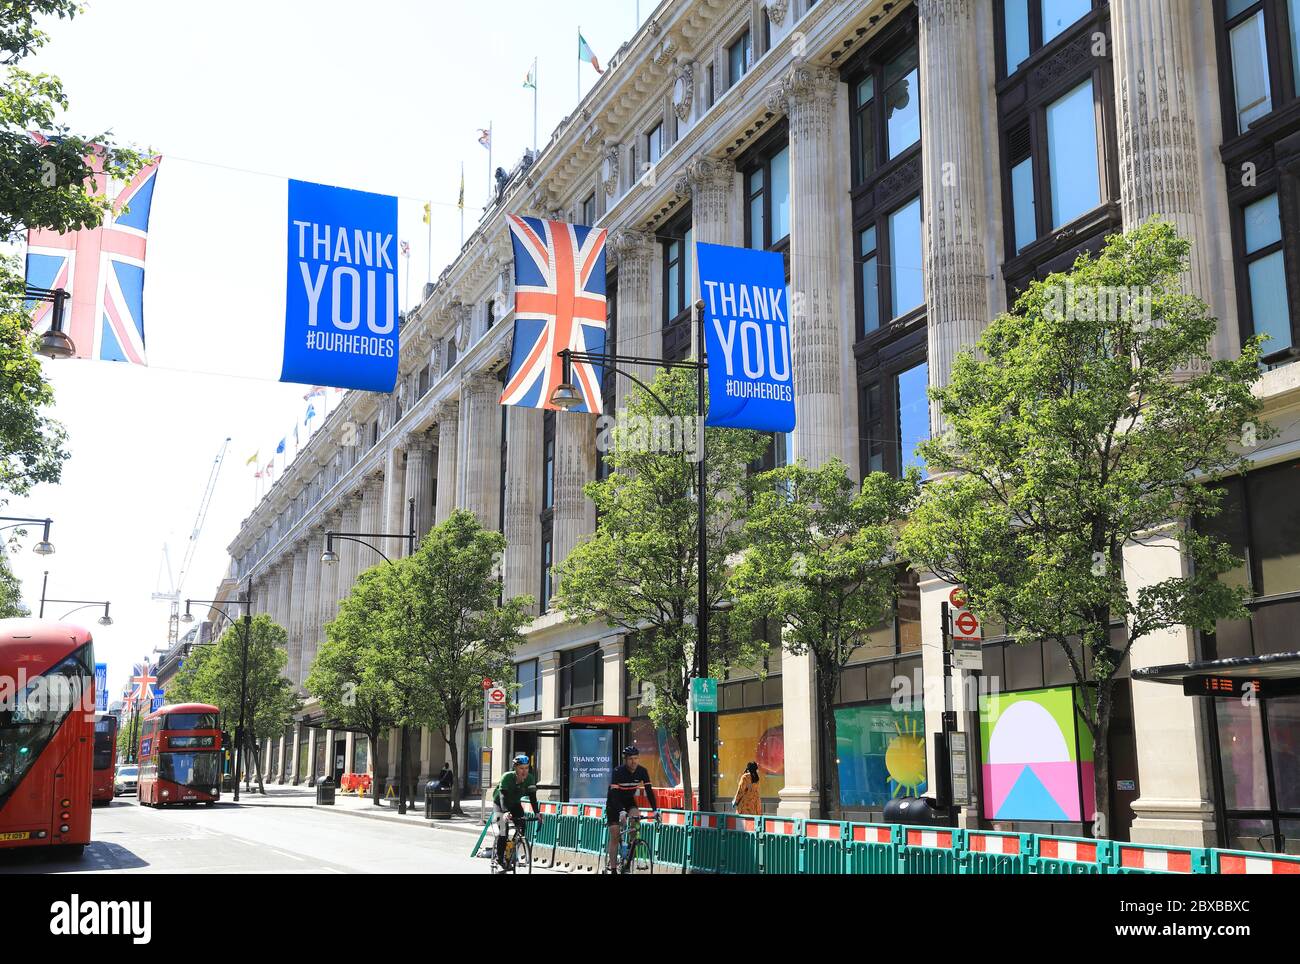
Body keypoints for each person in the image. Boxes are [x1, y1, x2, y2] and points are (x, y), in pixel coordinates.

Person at [605, 745, 657, 873]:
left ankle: (629, 853)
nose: (633, 761)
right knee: (615, 835)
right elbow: (614, 794)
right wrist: (621, 811)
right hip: (614, 802)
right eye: (630, 759)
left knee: (636, 819)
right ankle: (613, 869)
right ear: (625, 760)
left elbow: (649, 792)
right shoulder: (618, 771)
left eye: (636, 758)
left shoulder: (642, 771)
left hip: (629, 800)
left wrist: (655, 810)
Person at [492, 753, 540, 868]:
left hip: (515, 804)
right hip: (500, 804)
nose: (524, 771)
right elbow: (503, 797)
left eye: (527, 768)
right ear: (515, 768)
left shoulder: (530, 779)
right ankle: (499, 859)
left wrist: (537, 813)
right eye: (521, 768)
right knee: (503, 830)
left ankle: (511, 851)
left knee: (522, 826)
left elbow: (533, 798)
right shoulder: (507, 777)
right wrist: (505, 812)